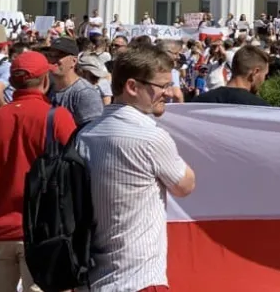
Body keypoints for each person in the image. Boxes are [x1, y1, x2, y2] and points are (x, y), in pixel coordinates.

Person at [76, 43, 196, 291]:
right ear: (132, 86)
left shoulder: (84, 134)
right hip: (139, 279)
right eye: (162, 86)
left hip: (96, 278)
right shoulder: (150, 137)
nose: (170, 93)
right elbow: (185, 185)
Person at [0, 50, 77, 292]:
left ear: (13, 81)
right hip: (43, 230)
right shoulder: (58, 117)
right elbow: (76, 174)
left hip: (1, 228)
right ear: (45, 80)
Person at [191, 45, 271, 106]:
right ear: (255, 72)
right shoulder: (261, 109)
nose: (264, 80)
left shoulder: (200, 102)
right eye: (265, 75)